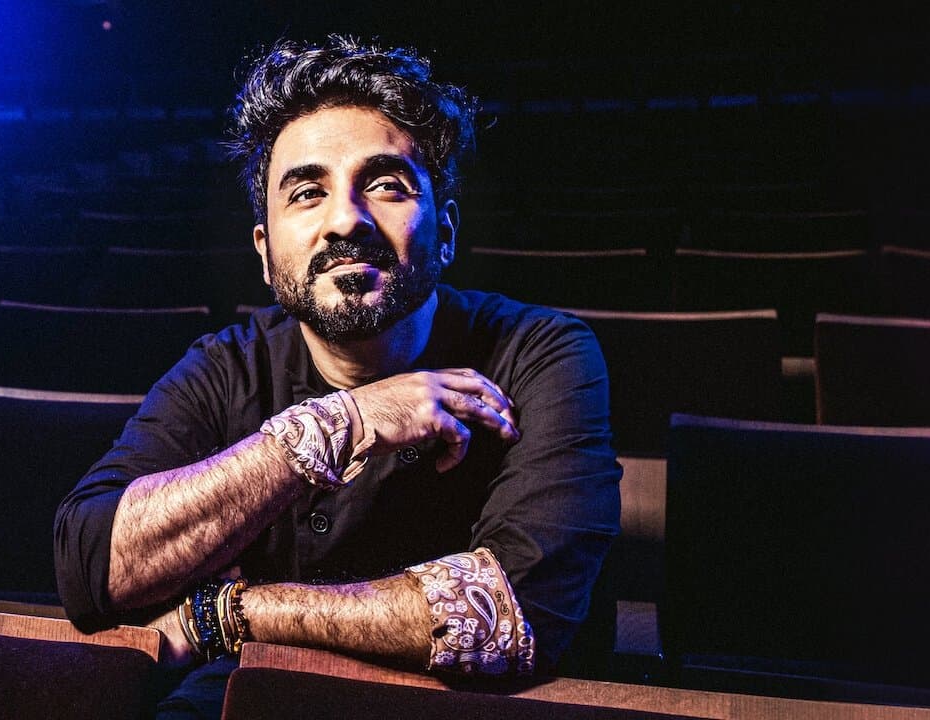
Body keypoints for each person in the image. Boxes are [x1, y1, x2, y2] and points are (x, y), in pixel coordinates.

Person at [54, 35, 621, 718]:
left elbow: (514, 614)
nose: (346, 219)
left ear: (445, 232)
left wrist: (230, 614)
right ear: (266, 254)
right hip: (263, 697)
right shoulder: (226, 367)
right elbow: (92, 568)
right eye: (307, 193)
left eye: (385, 185)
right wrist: (340, 422)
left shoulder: (542, 351)